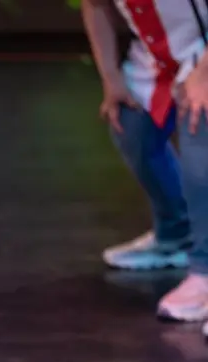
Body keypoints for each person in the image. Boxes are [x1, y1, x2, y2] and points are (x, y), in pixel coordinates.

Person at [81, 0, 208, 324]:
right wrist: (111, 77)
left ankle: (205, 270)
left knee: (199, 129)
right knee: (129, 123)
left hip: (202, 53)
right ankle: (175, 233)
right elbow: (95, 5)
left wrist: (204, 74)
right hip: (160, 56)